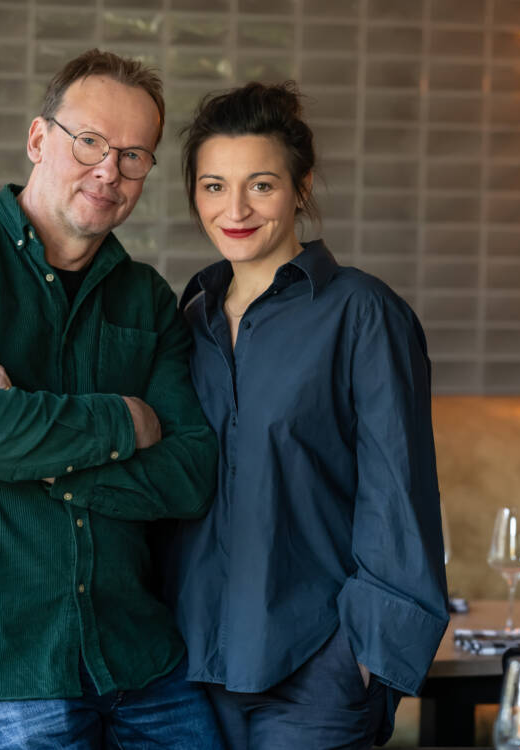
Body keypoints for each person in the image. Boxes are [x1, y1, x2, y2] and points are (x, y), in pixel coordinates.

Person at [0, 49, 224, 750]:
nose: (109, 170)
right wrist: (126, 418)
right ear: (39, 140)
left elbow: (191, 472)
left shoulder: (149, 300)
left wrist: (26, 440)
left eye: (134, 155)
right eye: (90, 142)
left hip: (140, 651)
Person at [165, 82, 450, 749]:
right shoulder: (187, 321)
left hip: (315, 667)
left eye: (260, 185)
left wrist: (366, 655)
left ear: (301, 187)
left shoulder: (362, 313)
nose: (233, 209)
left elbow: (398, 493)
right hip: (185, 666)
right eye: (213, 185)